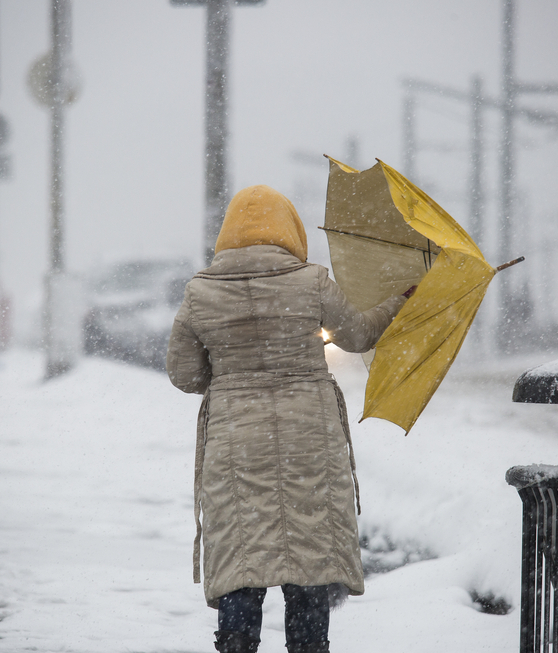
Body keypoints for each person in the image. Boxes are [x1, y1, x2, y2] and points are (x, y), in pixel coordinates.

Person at [166, 185, 411, 653]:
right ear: (290, 231)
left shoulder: (200, 293)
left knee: (242, 547)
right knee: (310, 547)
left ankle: (237, 641)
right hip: (309, 439)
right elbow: (358, 335)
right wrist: (400, 300)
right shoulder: (311, 281)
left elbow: (183, 374)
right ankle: (308, 645)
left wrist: (230, 373)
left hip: (236, 442)